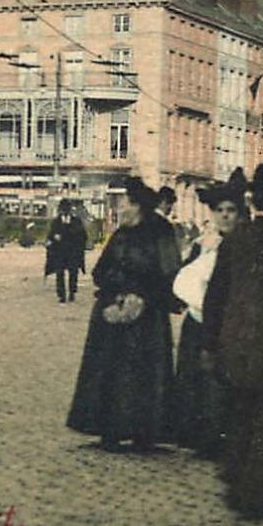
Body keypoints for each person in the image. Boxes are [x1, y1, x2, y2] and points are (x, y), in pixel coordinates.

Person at [202, 162, 263, 521]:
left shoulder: (237, 238)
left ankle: (233, 477)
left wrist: (210, 343)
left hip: (234, 342)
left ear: (252, 199)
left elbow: (216, 295)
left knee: (238, 412)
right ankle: (254, 497)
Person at [67, 176, 181, 453]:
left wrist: (142, 297)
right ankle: (109, 428)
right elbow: (100, 270)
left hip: (146, 314)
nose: (120, 208)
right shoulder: (121, 233)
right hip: (111, 310)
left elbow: (169, 271)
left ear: (138, 205)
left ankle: (144, 430)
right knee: (109, 370)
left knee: (143, 372)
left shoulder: (160, 231)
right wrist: (112, 295)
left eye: (125, 203)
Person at [172, 170, 246, 459]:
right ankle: (198, 434)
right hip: (198, 318)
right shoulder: (202, 244)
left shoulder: (244, 244)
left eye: (231, 211)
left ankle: (223, 436)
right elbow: (183, 278)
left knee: (224, 379)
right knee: (195, 377)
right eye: (220, 211)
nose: (225, 216)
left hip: (230, 321)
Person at [45, 199, 88, 303]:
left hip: (72, 252)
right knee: (59, 273)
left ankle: (72, 293)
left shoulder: (76, 221)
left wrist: (71, 235)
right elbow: (50, 235)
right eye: (63, 209)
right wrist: (53, 238)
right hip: (59, 252)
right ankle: (61, 295)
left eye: (66, 209)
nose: (64, 211)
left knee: (73, 273)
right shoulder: (56, 222)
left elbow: (83, 236)